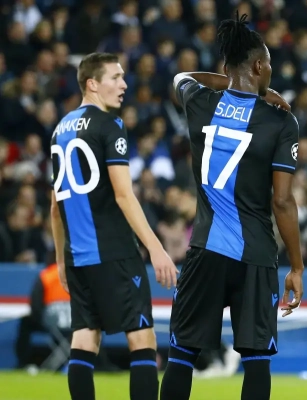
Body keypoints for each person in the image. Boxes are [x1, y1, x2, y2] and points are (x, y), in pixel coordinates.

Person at [159, 13, 304, 400]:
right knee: (256, 359)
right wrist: (297, 266)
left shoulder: (200, 102)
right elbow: (282, 201)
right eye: (267, 64)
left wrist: (232, 81)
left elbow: (181, 78)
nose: (270, 71)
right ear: (258, 67)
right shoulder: (280, 122)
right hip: (255, 254)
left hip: (205, 249)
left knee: (182, 354)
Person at [49, 52, 178, 400]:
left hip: (77, 256)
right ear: (92, 84)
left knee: (85, 337)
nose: (124, 85)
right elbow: (123, 195)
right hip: (113, 250)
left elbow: (55, 207)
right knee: (142, 338)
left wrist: (61, 259)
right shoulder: (109, 125)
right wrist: (155, 248)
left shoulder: (60, 130)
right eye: (115, 78)